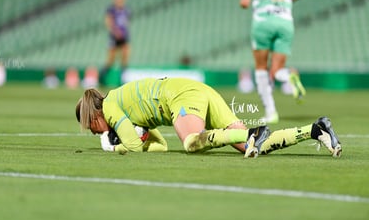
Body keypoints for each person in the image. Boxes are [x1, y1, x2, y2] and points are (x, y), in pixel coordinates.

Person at [75, 77, 342, 158]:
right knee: (245, 147)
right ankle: (315, 129)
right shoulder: (122, 105)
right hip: (196, 90)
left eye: (92, 126)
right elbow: (159, 145)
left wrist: (116, 146)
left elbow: (130, 146)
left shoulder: (110, 106)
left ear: (94, 112)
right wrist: (143, 136)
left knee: (192, 142)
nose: (96, 132)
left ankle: (252, 133)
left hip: (179, 96)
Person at [240, 0, 310, 123]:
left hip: (263, 22)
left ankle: (271, 113)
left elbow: (244, 2)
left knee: (261, 69)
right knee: (277, 70)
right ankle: (289, 76)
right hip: (285, 22)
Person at [100, 0, 131, 85]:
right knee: (111, 59)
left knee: (125, 56)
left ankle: (122, 79)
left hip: (124, 36)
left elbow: (126, 23)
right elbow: (108, 22)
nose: (119, 0)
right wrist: (115, 31)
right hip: (114, 36)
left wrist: (123, 32)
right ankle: (102, 77)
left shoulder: (126, 10)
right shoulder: (111, 10)